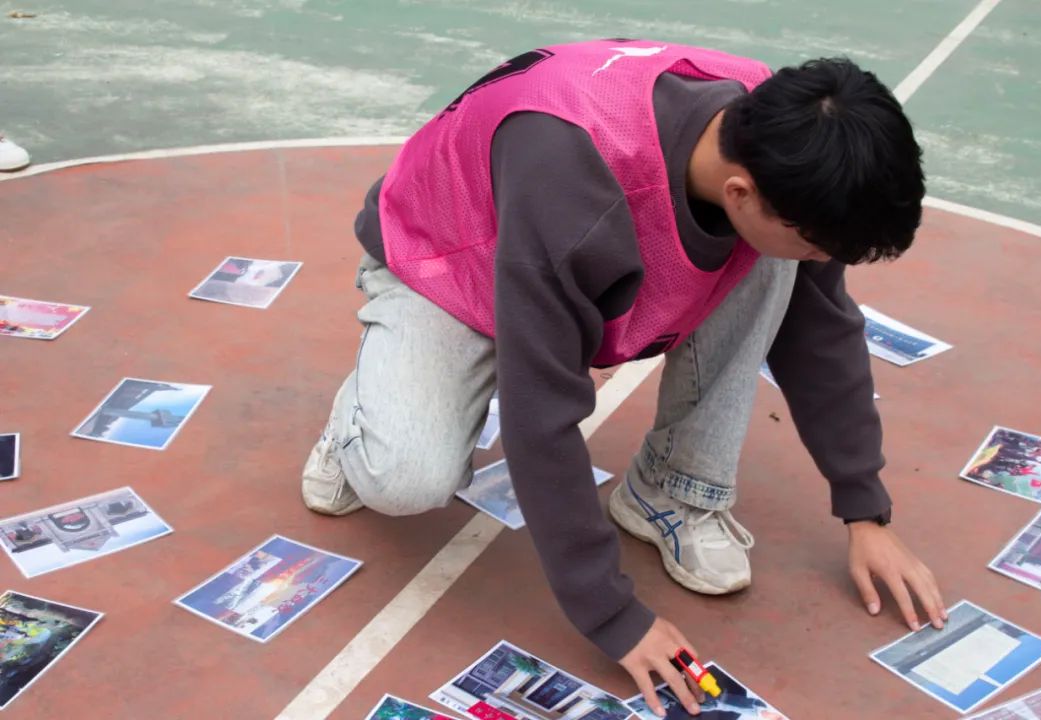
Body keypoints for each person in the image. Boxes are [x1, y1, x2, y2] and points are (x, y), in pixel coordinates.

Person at [300, 39, 948, 716]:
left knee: (778, 266)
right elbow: (540, 413)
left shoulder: (781, 144)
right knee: (406, 481)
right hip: (445, 255)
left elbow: (821, 327)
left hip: (550, 247)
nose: (820, 258)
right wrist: (612, 614)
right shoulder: (574, 177)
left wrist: (864, 508)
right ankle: (358, 421)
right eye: (818, 244)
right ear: (739, 192)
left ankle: (672, 489)